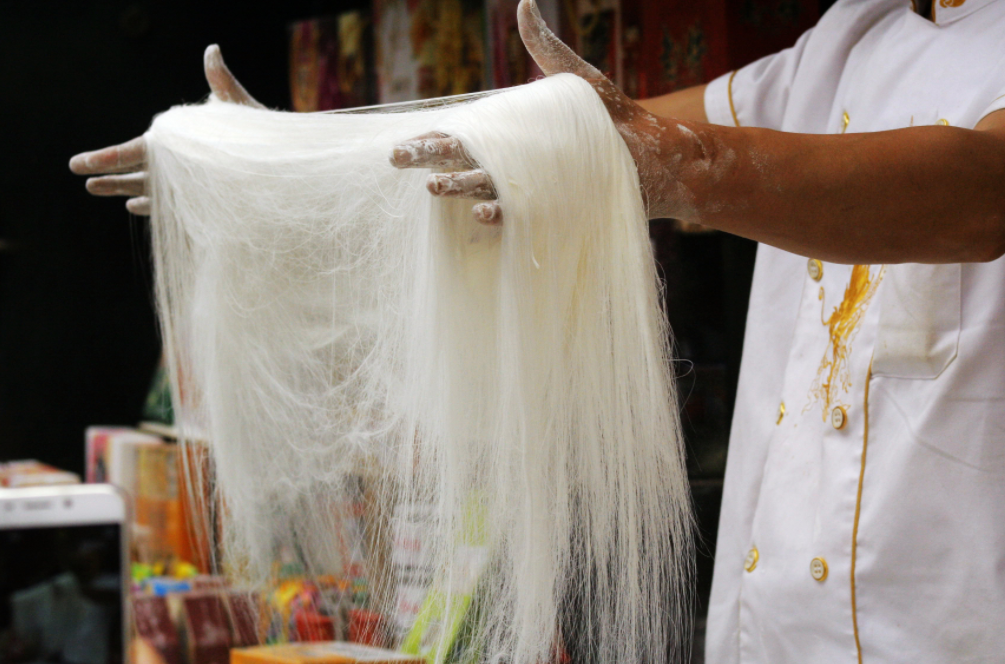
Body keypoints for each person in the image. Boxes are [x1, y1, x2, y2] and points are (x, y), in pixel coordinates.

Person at [71, 0, 1005, 660]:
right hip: (774, 635)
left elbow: (980, 189)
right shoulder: (844, 42)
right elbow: (538, 146)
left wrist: (680, 168)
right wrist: (282, 163)